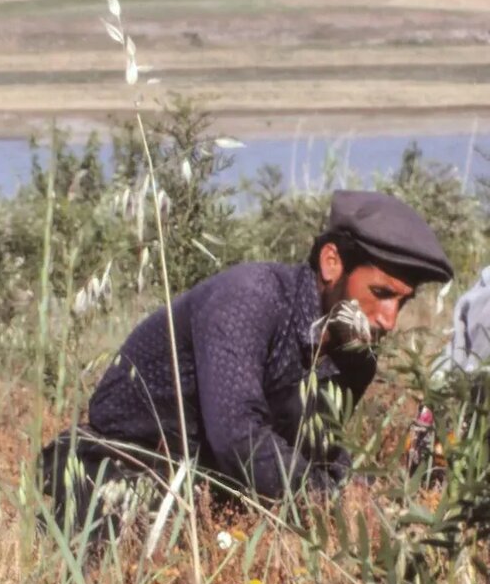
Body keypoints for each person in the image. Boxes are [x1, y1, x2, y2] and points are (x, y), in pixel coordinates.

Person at [41, 190, 453, 531]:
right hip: (119, 471)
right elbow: (240, 438)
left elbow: (317, 455)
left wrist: (382, 498)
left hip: (211, 486)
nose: (389, 320)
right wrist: (340, 503)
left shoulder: (355, 361)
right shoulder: (249, 298)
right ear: (332, 263)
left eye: (403, 302)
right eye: (381, 293)